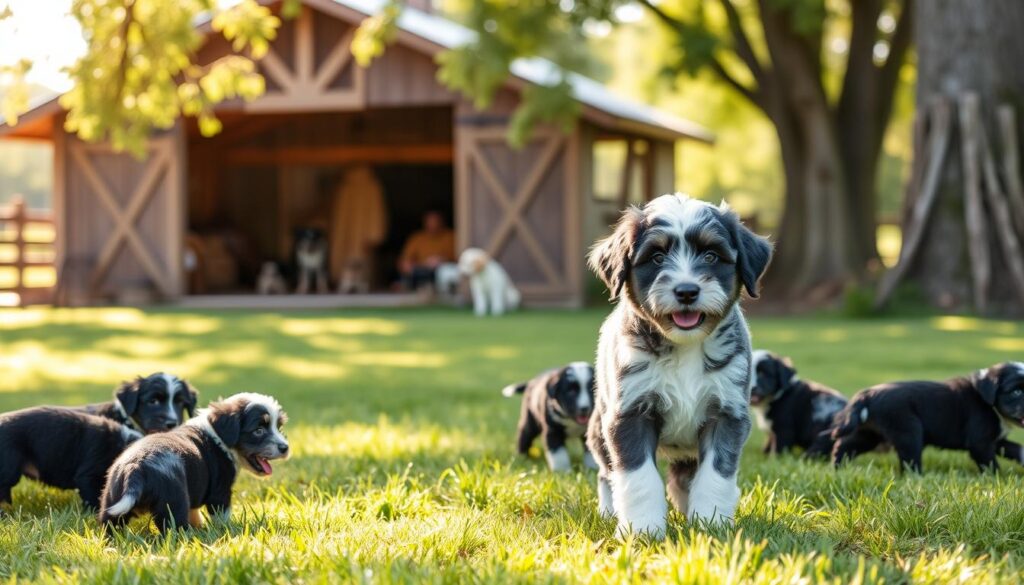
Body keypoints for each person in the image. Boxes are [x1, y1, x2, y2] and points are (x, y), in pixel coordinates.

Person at [398, 211, 455, 290]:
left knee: (446, 272)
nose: (433, 225)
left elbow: (459, 257)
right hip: (421, 270)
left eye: (436, 221)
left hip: (442, 270)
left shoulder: (451, 237)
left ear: (442, 222)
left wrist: (442, 260)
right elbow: (405, 261)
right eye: (430, 222)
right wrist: (419, 265)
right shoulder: (417, 238)